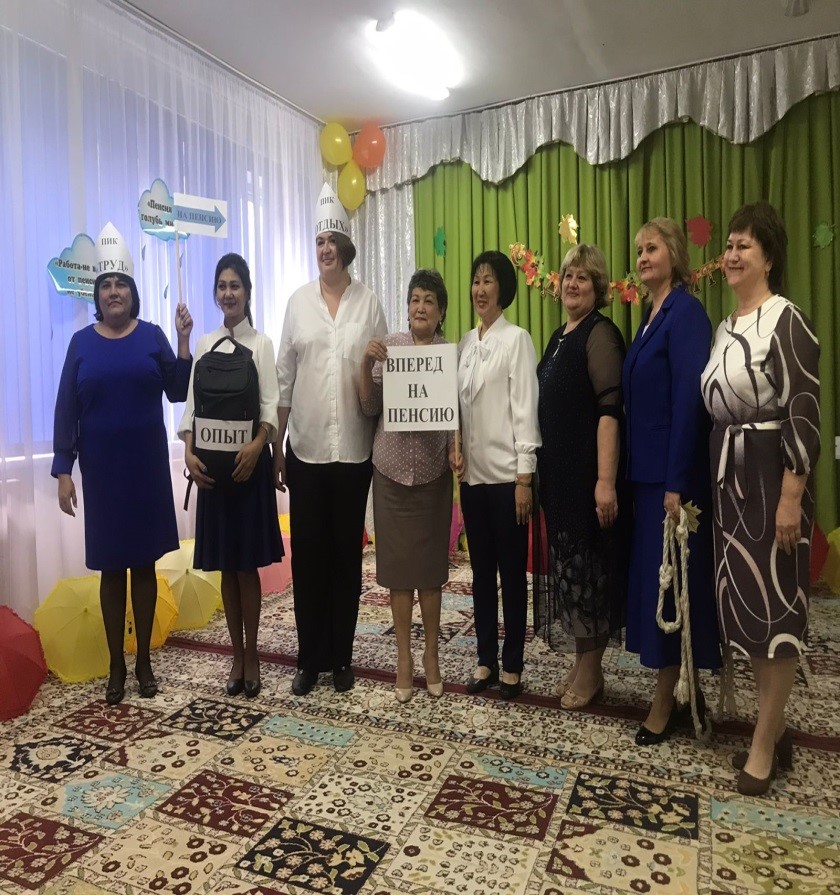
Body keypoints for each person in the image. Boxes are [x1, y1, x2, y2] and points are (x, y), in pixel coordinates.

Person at [701, 201, 820, 795]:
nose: (731, 254)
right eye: (728, 244)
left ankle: (763, 744)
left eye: (744, 245)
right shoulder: (725, 327)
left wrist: (791, 496)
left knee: (777, 610)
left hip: (773, 482)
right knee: (748, 610)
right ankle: (773, 727)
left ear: (768, 257)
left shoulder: (785, 318)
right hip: (732, 482)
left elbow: (804, 409)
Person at [52, 223, 193, 705]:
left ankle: (144, 662)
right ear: (98, 296)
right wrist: (63, 470)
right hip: (104, 474)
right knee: (112, 570)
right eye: (106, 285)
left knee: (144, 566)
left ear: (133, 293)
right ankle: (116, 665)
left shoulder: (152, 336)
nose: (114, 292)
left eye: (121, 285)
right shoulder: (81, 344)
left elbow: (178, 391)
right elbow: (66, 408)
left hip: (145, 472)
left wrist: (183, 341)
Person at [275, 184, 387, 696]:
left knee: (346, 558)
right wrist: (276, 448)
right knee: (309, 560)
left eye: (332, 242)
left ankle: (341, 657)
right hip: (306, 451)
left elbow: (382, 375)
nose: (325, 250)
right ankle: (309, 659)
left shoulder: (370, 303)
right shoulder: (297, 304)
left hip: (354, 453)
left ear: (346, 247)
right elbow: (283, 381)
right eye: (318, 241)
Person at [622, 217, 721, 745]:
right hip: (647, 477)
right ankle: (685, 690)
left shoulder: (686, 313)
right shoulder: (649, 316)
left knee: (671, 587)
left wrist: (676, 482)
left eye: (652, 248)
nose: (642, 257)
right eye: (638, 249)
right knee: (663, 584)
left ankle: (665, 702)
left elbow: (690, 401)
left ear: (675, 255)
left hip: (672, 481)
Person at [179, 253, 283, 699]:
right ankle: (236, 656)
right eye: (222, 286)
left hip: (247, 471)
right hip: (214, 476)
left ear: (247, 291)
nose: (228, 293)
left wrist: (259, 447)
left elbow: (270, 406)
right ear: (215, 293)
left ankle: (253, 654)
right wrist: (188, 453)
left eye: (235, 285)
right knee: (226, 565)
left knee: (246, 567)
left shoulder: (262, 344)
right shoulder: (204, 344)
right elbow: (190, 409)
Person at [534, 244, 628, 710]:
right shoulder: (559, 335)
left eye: (583, 278)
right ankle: (582, 663)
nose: (573, 284)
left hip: (588, 480)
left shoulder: (601, 334)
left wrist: (605, 481)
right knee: (571, 576)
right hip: (559, 481)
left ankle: (591, 673)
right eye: (569, 275)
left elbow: (610, 412)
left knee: (589, 577)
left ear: (598, 288)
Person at [359, 269, 456, 703]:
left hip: (434, 476)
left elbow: (455, 414)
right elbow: (369, 406)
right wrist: (366, 363)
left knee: (431, 574)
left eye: (429, 301)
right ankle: (404, 660)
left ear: (441, 312)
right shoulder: (391, 347)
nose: (420, 307)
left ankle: (431, 656)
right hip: (391, 475)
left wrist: (455, 450)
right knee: (399, 575)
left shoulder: (447, 355)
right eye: (415, 299)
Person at [453, 250, 541, 700]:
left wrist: (524, 479)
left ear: (503, 289)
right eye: (476, 281)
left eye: (488, 281)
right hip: (472, 482)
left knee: (511, 574)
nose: (480, 289)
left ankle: (513, 665)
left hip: (508, 481)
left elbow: (525, 411)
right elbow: (456, 409)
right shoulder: (465, 345)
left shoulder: (517, 340)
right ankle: (485, 659)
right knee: (481, 575)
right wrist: (455, 447)